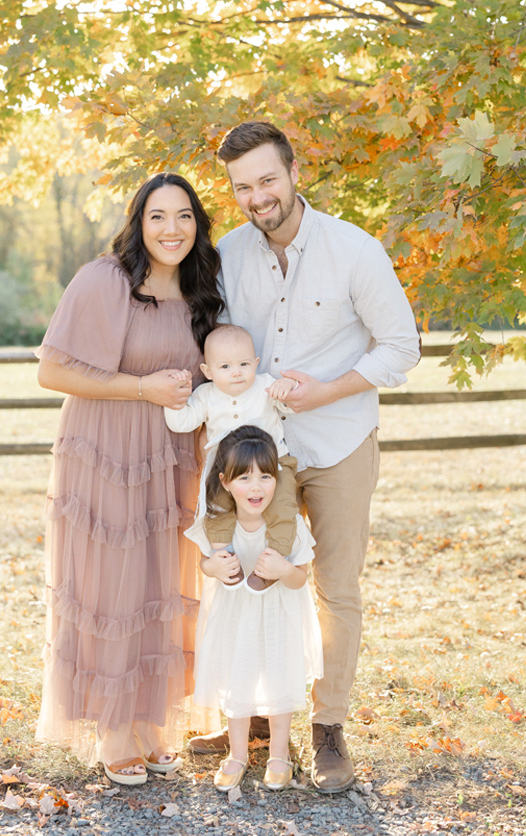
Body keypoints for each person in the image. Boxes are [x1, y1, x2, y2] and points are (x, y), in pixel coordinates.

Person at [192, 121, 420, 793]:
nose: (257, 196)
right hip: (261, 459)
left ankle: (327, 731)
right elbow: (210, 345)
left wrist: (328, 391)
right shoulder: (229, 256)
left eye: (267, 179)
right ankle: (262, 719)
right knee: (255, 576)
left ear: (294, 172)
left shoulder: (354, 249)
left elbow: (399, 347)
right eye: (242, 187)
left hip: (341, 440)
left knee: (335, 586)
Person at [34, 172, 223, 786]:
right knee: (112, 587)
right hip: (106, 448)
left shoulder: (201, 290)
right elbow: (53, 373)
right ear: (138, 222)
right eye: (159, 216)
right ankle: (113, 730)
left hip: (172, 454)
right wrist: (141, 387)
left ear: (199, 225)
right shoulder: (105, 281)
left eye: (185, 216)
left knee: (160, 583)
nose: (173, 229)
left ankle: (150, 724)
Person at [191, 426, 322, 793]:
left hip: (278, 615)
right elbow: (205, 562)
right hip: (235, 617)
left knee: (280, 678)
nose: (257, 487)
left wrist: (283, 570)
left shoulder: (287, 524)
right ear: (225, 481)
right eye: (245, 477)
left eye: (266, 476)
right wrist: (213, 567)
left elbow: (300, 577)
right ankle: (236, 753)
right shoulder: (219, 523)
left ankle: (279, 753)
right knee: (238, 679)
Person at [164, 324, 300, 589]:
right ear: (207, 371)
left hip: (273, 466)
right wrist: (175, 398)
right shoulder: (205, 396)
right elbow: (182, 423)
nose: (236, 372)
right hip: (225, 471)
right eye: (225, 367)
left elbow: (290, 404)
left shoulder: (264, 386)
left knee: (284, 507)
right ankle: (225, 558)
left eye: (244, 364)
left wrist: (288, 386)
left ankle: (274, 561)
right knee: (217, 508)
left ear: (256, 363)